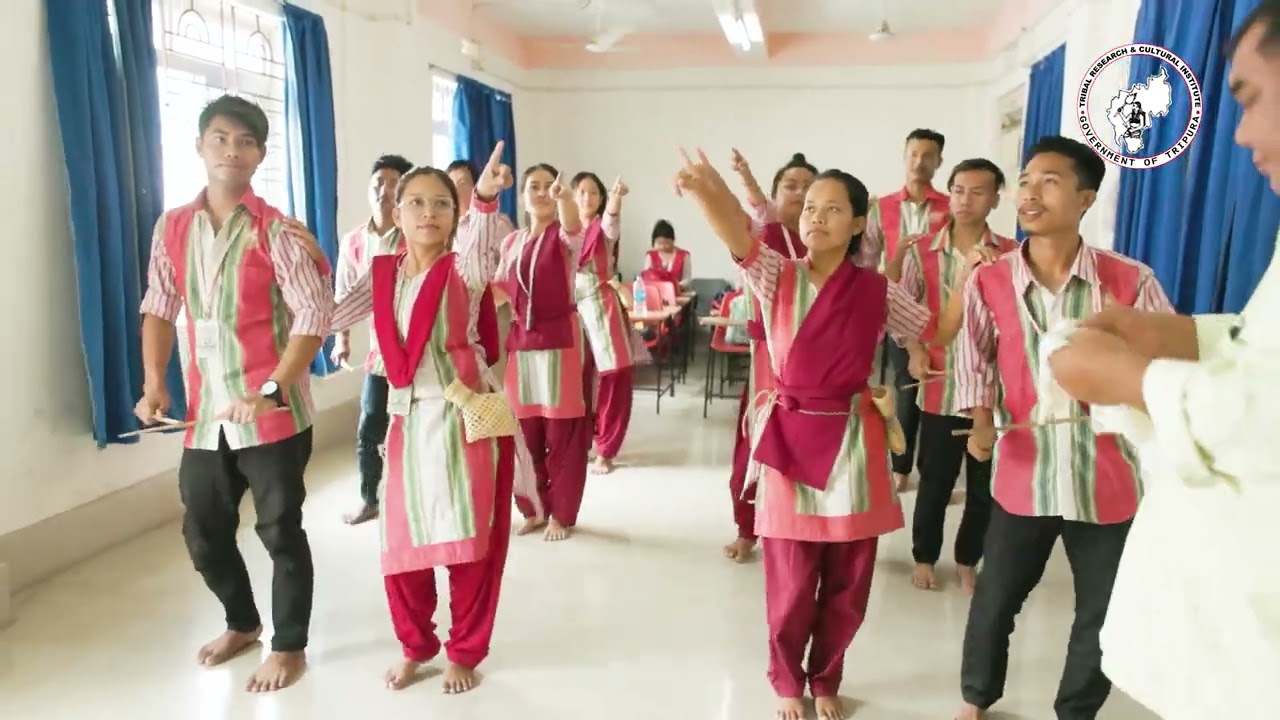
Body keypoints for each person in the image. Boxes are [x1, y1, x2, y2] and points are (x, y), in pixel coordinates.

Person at [1046, 5, 1280, 717]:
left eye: (1252, 100)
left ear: (1086, 199)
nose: (1240, 135)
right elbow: (1258, 346)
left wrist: (1132, 379)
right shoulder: (992, 274)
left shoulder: (1125, 270)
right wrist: (1177, 340)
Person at [673, 148, 936, 720]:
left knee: (849, 580)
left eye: (833, 208)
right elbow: (739, 235)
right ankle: (786, 676)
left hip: (856, 439)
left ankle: (827, 676)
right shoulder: (777, 274)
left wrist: (920, 353)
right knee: (791, 581)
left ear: (859, 222)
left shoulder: (877, 290)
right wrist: (707, 187)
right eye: (811, 206)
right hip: (791, 438)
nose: (816, 216)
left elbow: (925, 330)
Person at [950, 135, 1174, 720]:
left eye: (1049, 181)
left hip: (1109, 472)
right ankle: (977, 698)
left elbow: (1167, 357)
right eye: (1025, 181)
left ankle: (1075, 711)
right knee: (996, 596)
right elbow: (973, 355)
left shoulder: (1129, 281)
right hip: (1025, 465)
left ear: (1085, 199)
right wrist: (980, 420)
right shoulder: (989, 281)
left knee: (1101, 608)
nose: (1029, 192)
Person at [133, 94, 334, 693]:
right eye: (220, 138)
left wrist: (272, 388)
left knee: (279, 530)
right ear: (200, 146)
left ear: (260, 155)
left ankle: (290, 645)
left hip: (274, 415)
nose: (231, 150)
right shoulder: (172, 227)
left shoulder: (278, 230)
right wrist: (153, 384)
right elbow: (159, 309)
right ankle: (242, 623)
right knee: (204, 531)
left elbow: (311, 318)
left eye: (245, 142)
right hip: (204, 414)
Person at [315, 148, 533, 694]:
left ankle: (464, 650)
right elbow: (332, 312)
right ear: (396, 210)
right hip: (405, 423)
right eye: (415, 202)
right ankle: (416, 645)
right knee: (402, 545)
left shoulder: (464, 269)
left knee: (470, 542)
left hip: (464, 420)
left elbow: (485, 245)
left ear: (454, 215)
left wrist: (482, 199)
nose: (428, 212)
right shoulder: (382, 272)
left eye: (441, 204)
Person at [890, 158, 1018, 594]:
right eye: (960, 189)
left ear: (996, 199)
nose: (967, 199)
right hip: (941, 383)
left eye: (979, 191)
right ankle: (924, 556)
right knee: (936, 478)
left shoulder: (1012, 253)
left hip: (992, 389)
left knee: (984, 482)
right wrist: (914, 349)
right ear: (949, 193)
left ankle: (968, 559)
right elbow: (903, 309)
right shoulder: (922, 249)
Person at [717, 149, 814, 563]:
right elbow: (756, 211)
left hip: (814, 364)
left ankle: (797, 527)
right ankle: (748, 527)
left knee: (806, 449)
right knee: (755, 445)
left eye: (809, 187)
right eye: (791, 185)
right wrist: (745, 176)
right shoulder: (762, 235)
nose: (800, 193)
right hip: (766, 365)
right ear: (775, 195)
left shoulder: (825, 243)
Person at [500, 163, 592, 542]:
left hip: (561, 343)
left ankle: (561, 513)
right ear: (522, 194)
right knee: (524, 432)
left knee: (562, 432)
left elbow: (574, 227)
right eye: (532, 186)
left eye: (547, 187)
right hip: (521, 343)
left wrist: (567, 199)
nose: (540, 193)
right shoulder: (511, 242)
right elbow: (498, 290)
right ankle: (534, 507)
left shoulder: (566, 237)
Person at [862, 129, 953, 493]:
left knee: (940, 390)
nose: (920, 162)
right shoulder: (880, 208)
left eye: (928, 155)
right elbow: (868, 263)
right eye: (914, 154)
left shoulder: (951, 208)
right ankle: (900, 465)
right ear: (904, 157)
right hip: (897, 313)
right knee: (906, 387)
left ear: (939, 162)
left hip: (943, 314)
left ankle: (934, 469)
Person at [333, 153, 414, 526]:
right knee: (370, 427)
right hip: (380, 355)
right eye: (377, 183)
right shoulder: (353, 242)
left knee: (417, 425)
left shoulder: (415, 235)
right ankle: (370, 498)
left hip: (418, 350)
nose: (383, 190)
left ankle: (417, 500)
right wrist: (342, 340)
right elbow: (344, 295)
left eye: (392, 183)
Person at [573, 171, 638, 475]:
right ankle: (585, 442)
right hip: (571, 310)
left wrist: (616, 198)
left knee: (613, 377)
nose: (586, 198)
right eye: (581, 192)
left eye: (593, 193)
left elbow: (612, 220)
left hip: (602, 305)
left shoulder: (603, 228)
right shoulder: (564, 230)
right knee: (578, 382)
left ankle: (606, 449)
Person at [640, 219, 692, 288]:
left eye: (666, 243)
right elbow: (647, 276)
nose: (663, 246)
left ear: (673, 240)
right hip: (656, 291)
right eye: (659, 243)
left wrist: (676, 286)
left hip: (678, 292)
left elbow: (687, 279)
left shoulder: (684, 255)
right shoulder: (650, 255)